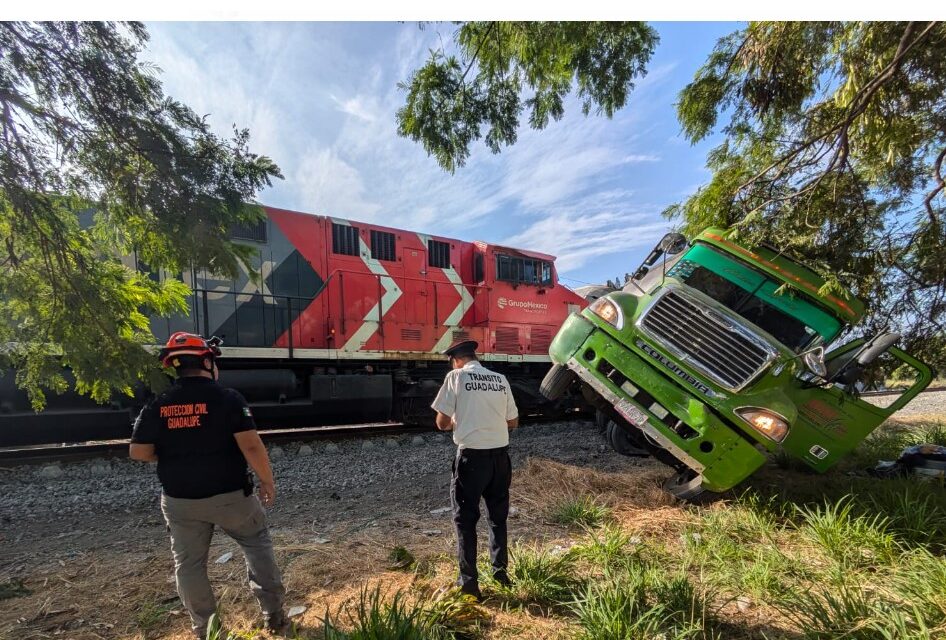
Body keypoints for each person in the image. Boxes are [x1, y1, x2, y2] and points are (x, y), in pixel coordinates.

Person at [129, 332, 287, 637]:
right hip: (232, 498)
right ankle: (274, 616)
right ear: (206, 361)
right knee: (256, 545)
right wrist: (267, 481)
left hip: (180, 502)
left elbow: (138, 452)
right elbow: (251, 446)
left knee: (188, 565)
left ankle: (207, 630)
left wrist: (176, 453)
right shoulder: (228, 399)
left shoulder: (158, 404)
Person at [431, 340, 519, 600]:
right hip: (500, 459)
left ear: (455, 360)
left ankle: (469, 585)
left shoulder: (456, 377)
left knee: (466, 520)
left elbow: (441, 423)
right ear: (475, 356)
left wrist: (459, 419)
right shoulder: (500, 379)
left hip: (472, 460)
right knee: (497, 517)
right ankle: (501, 575)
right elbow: (512, 421)